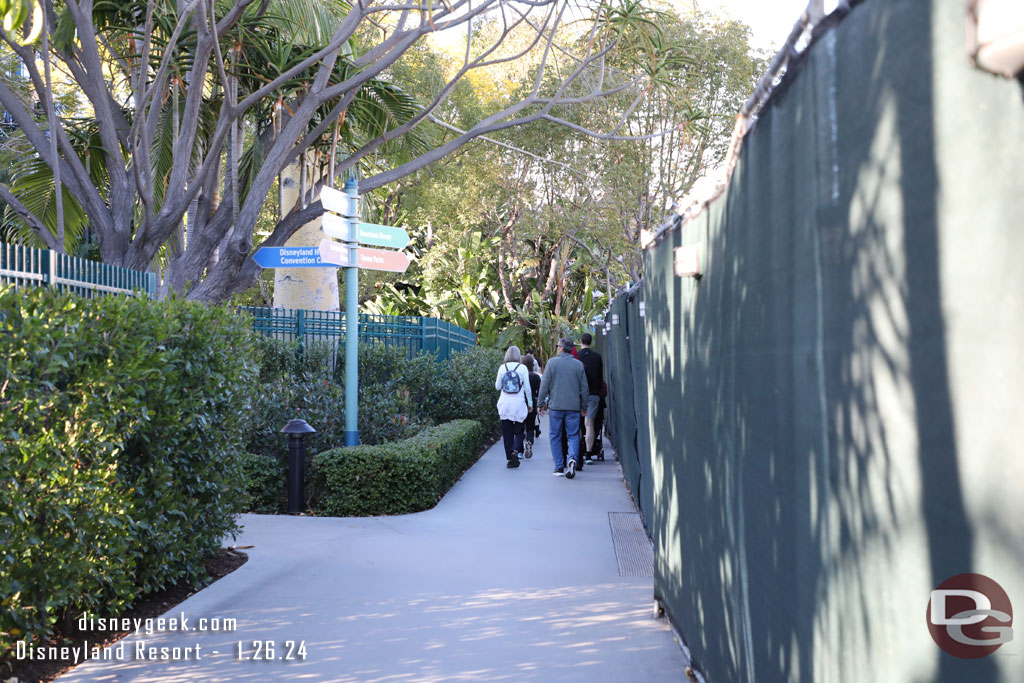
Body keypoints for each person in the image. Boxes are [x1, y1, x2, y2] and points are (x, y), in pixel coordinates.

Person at [537, 337, 588, 477]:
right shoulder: (578, 365)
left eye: (558, 346)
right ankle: (572, 458)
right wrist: (584, 406)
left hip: (556, 407)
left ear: (561, 348)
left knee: (555, 436)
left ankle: (559, 467)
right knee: (573, 435)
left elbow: (544, 385)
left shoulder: (552, 363)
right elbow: (584, 388)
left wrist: (540, 404)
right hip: (573, 407)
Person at [495, 345, 532, 468]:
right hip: (518, 403)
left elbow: (497, 387)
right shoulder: (522, 368)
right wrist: (530, 404)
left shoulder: (502, 367)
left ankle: (510, 458)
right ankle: (516, 450)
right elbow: (527, 388)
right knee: (519, 430)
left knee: (507, 432)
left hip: (504, 404)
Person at [577, 332, 604, 462]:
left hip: (579, 394)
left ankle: (578, 451)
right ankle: (588, 453)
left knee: (577, 424)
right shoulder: (597, 357)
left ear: (580, 341)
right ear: (591, 342)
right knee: (590, 424)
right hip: (593, 394)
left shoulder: (576, 357)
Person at [522, 354, 542, 459]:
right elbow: (539, 392)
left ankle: (520, 447)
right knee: (530, 427)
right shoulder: (536, 377)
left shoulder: (521, 376)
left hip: (521, 402)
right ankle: (529, 442)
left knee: (521, 425)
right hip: (532, 403)